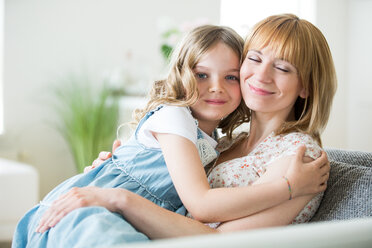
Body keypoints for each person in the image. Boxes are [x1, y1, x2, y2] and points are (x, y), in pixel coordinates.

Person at [13, 20, 330, 247]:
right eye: (255, 59)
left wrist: (118, 196)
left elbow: (215, 233)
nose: (261, 75)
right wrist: (118, 169)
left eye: (283, 68)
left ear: (306, 86)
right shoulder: (222, 142)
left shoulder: (300, 161)